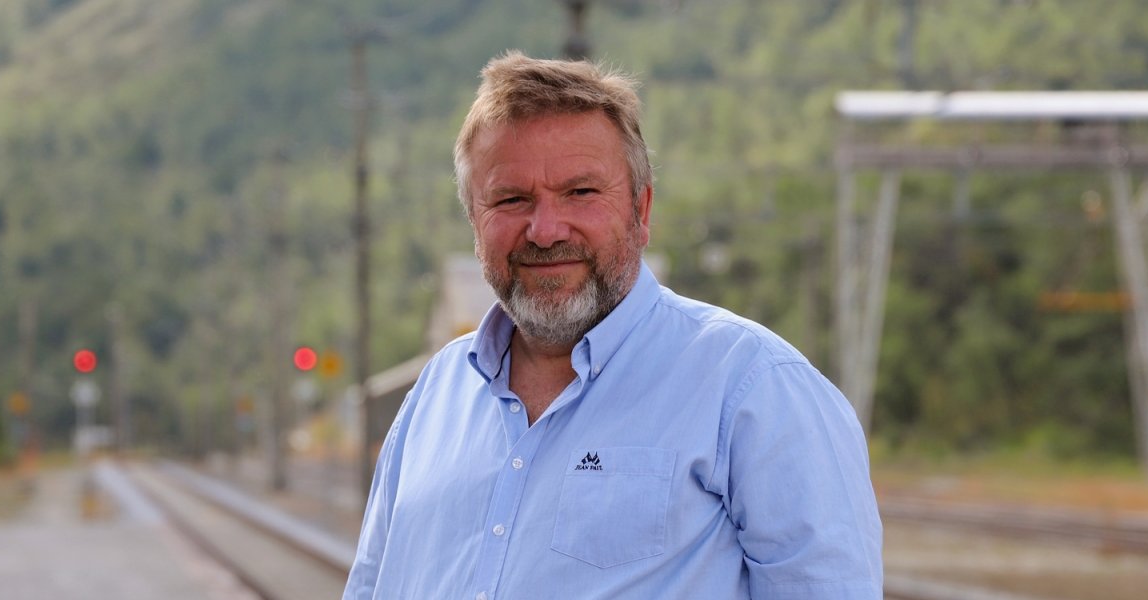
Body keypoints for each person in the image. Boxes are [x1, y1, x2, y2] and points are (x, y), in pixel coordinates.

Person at [342, 51, 883, 600]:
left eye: (580, 192)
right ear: (474, 223)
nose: (546, 229)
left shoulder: (755, 388)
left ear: (641, 211)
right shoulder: (435, 397)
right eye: (511, 199)